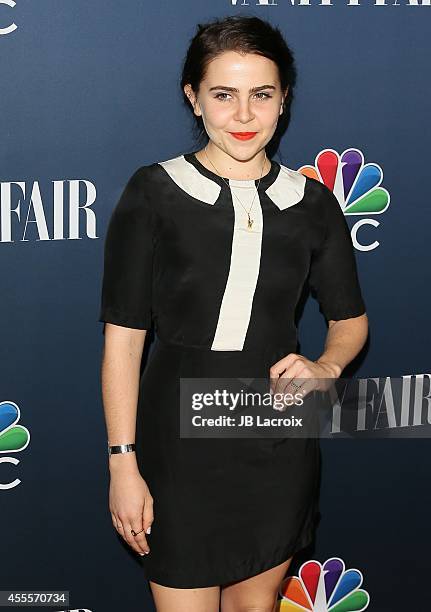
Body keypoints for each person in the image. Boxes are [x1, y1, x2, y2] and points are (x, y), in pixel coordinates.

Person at [98, 14, 368, 612]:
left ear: (283, 101)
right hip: (175, 449)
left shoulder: (313, 203)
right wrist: (123, 463)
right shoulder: (154, 192)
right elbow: (123, 345)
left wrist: (325, 369)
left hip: (276, 441)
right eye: (224, 95)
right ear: (193, 99)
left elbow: (350, 325)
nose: (244, 116)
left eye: (261, 95)